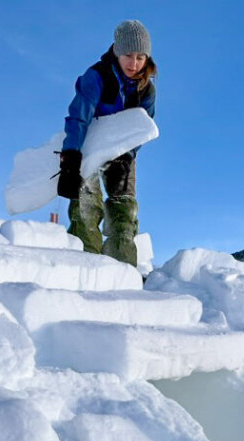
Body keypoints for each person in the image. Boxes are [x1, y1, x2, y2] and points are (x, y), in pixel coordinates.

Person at [57, 20, 157, 266]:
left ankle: (121, 269)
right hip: (87, 146)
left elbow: (142, 127)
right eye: (128, 55)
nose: (134, 64)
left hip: (122, 152)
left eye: (140, 57)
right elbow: (79, 116)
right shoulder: (97, 76)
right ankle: (85, 264)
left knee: (123, 211)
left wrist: (128, 155)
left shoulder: (147, 91)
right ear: (116, 51)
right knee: (86, 205)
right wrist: (71, 158)